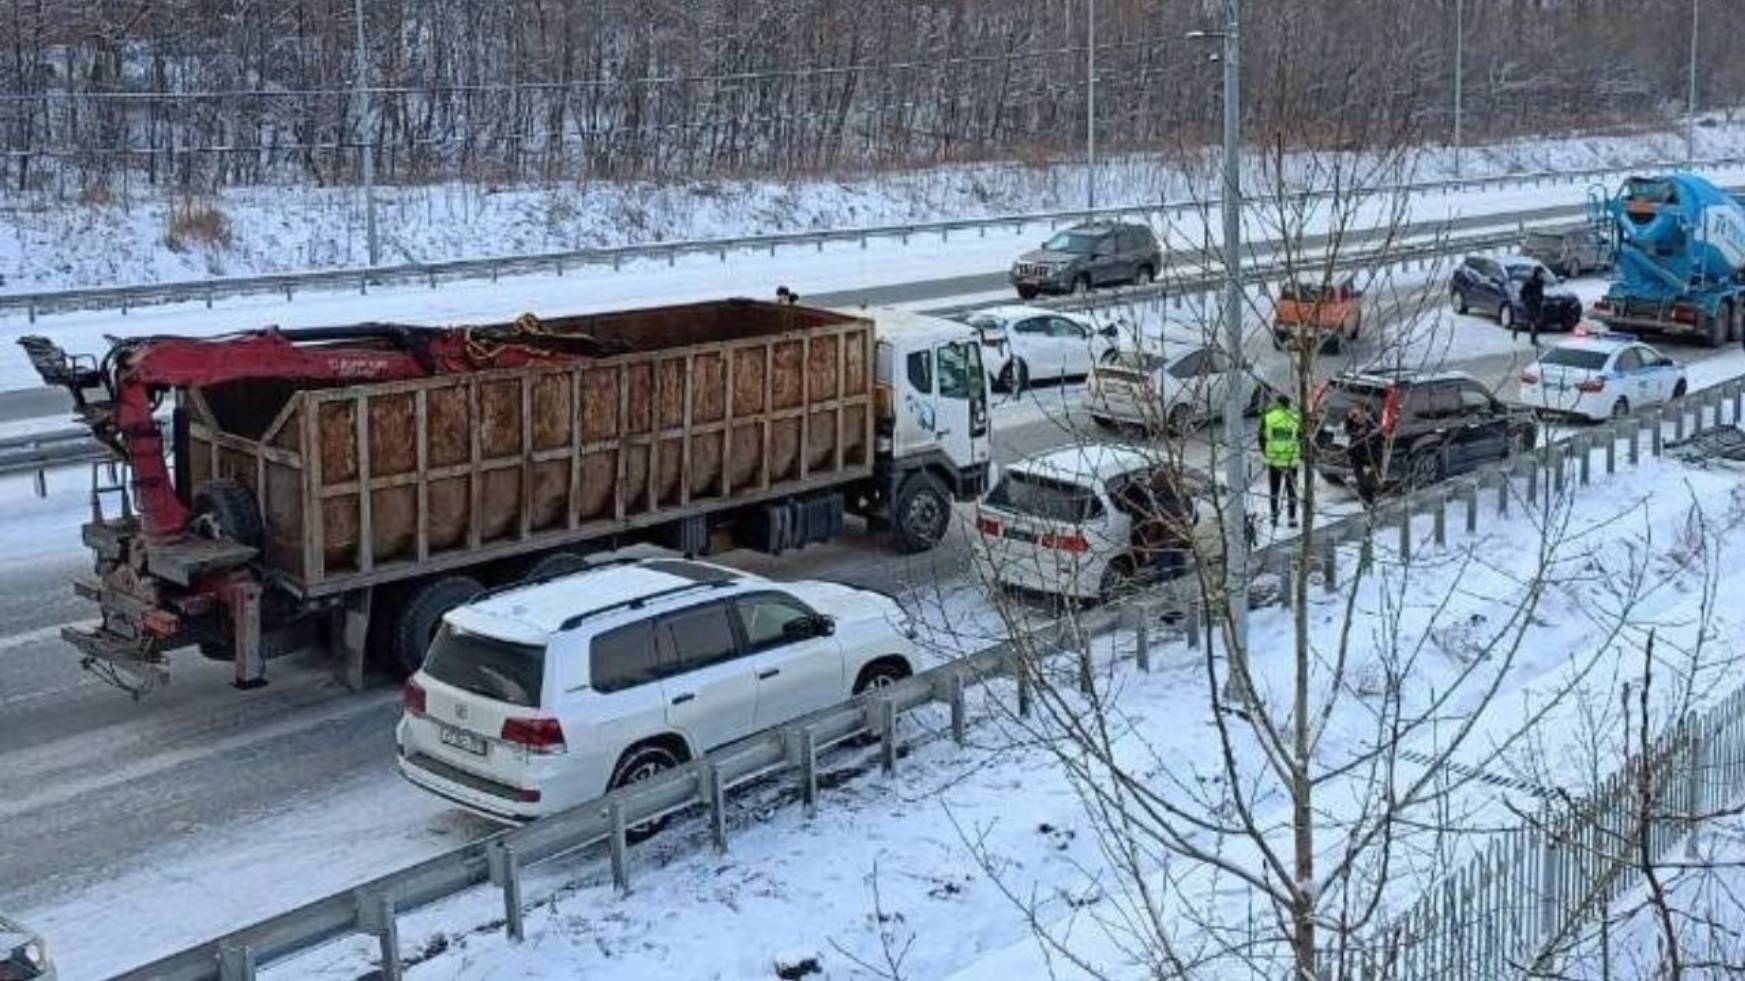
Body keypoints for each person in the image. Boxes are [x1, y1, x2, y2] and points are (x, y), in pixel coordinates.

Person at [1259, 393, 1301, 528]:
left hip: (1274, 460)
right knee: (1292, 490)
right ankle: (1292, 519)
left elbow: (1261, 437)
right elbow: (1301, 437)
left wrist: (1265, 452)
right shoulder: (1295, 418)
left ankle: (1274, 517)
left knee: (1274, 490)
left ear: (1277, 403)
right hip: (1291, 460)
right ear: (1289, 404)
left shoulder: (1268, 418)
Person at [1344, 402, 1383, 508]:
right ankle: (1366, 505)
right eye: (1355, 416)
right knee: (1362, 484)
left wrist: (1366, 430)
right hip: (1357, 458)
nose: (1358, 419)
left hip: (1372, 458)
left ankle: (1371, 504)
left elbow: (1378, 438)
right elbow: (1348, 430)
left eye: (1361, 415)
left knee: (1370, 484)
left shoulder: (1373, 424)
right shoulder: (1354, 424)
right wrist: (1349, 419)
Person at [1516, 266, 1546, 347]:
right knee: (1534, 321)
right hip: (1531, 304)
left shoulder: (1541, 282)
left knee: (1534, 321)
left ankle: (1517, 328)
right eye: (1541, 273)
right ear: (1537, 273)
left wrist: (1541, 299)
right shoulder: (1530, 282)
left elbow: (1540, 292)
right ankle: (1533, 339)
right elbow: (1523, 292)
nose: (1543, 275)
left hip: (1538, 304)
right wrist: (1527, 300)